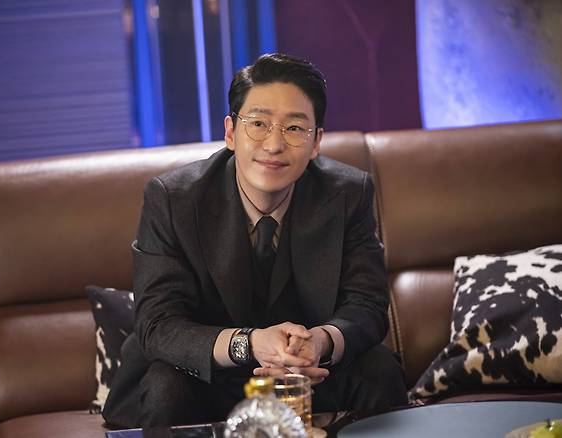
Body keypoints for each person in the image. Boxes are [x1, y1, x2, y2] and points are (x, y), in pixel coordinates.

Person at [103, 53, 407, 428]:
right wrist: (249, 343)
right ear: (231, 132)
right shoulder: (173, 199)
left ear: (316, 141)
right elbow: (158, 325)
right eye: (259, 124)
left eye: (294, 128)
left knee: (379, 369)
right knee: (167, 386)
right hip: (207, 376)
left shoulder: (348, 193)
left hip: (308, 374)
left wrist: (319, 343)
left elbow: (367, 304)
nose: (274, 144)